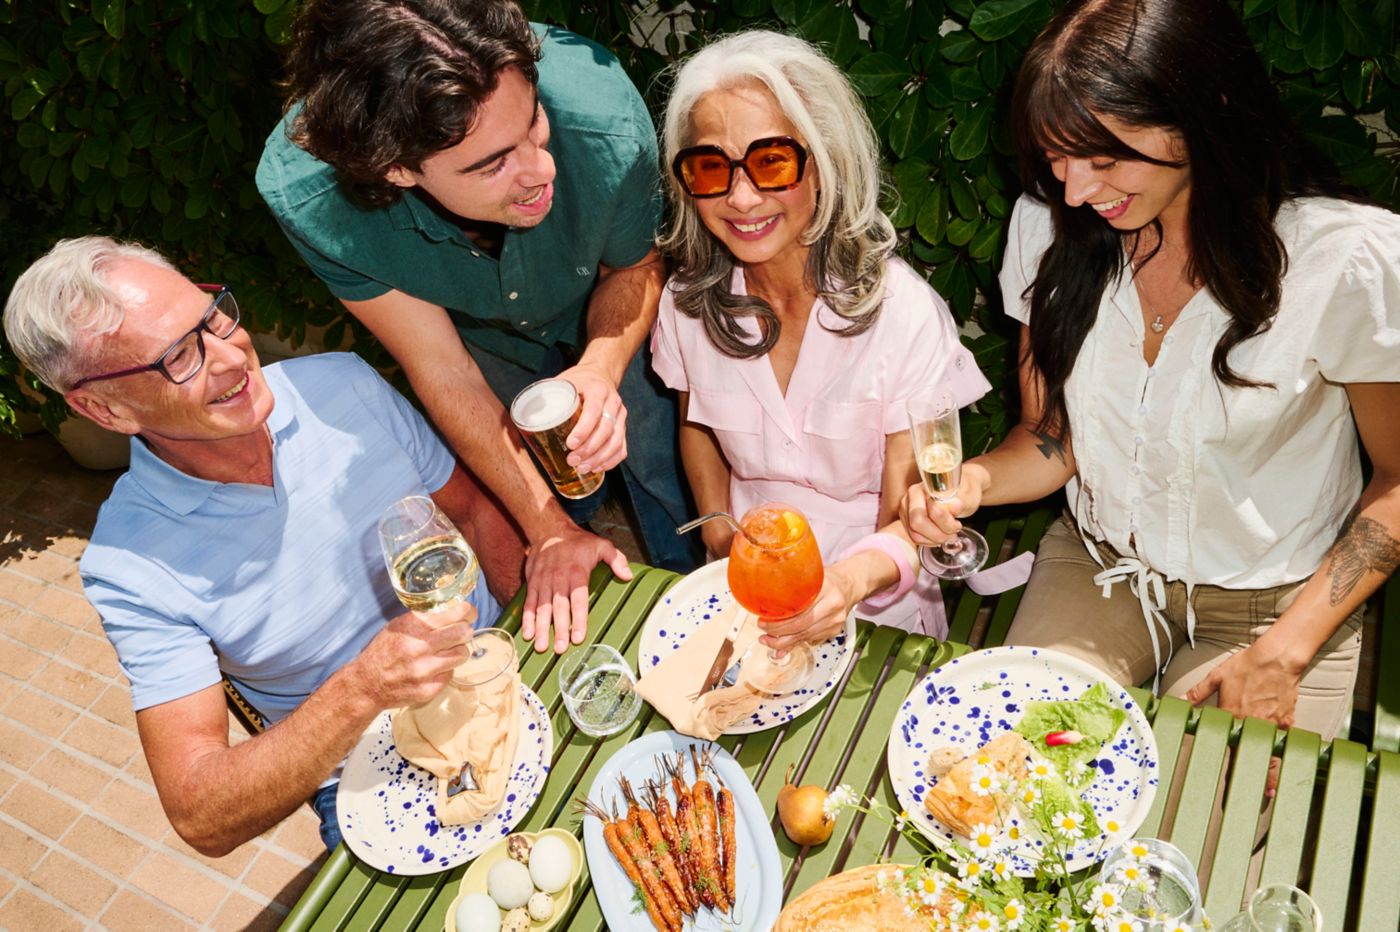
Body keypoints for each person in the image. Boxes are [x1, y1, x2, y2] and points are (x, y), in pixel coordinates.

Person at [901, 0, 1400, 740]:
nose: (1073, 189)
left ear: (1204, 114)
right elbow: (1049, 437)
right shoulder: (1047, 229)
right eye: (1055, 157)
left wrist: (1285, 654)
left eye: (1104, 157)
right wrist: (977, 481)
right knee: (1011, 788)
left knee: (1213, 842)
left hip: (1275, 605)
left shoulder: (1344, 261)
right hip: (1099, 571)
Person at [2, 236, 522, 855]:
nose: (230, 356)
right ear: (105, 409)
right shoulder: (128, 568)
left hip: (498, 664)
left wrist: (532, 633)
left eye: (213, 317)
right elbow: (201, 814)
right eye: (177, 357)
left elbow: (473, 512)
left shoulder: (341, 382)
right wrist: (361, 689)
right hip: (376, 776)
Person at [255, 0, 698, 655]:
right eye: (492, 163)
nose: (541, 169)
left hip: (614, 313)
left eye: (534, 123)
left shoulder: (604, 114)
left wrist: (600, 372)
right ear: (395, 170)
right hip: (482, 348)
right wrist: (548, 531)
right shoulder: (307, 197)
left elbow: (633, 267)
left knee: (665, 470)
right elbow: (439, 365)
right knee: (540, 508)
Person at [651, 30, 997, 645]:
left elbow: (912, 518)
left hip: (873, 590)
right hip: (743, 582)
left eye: (771, 161)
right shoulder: (685, 307)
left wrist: (844, 586)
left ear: (824, 162)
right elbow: (696, 423)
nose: (740, 196)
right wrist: (717, 527)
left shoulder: (904, 314)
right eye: (710, 167)